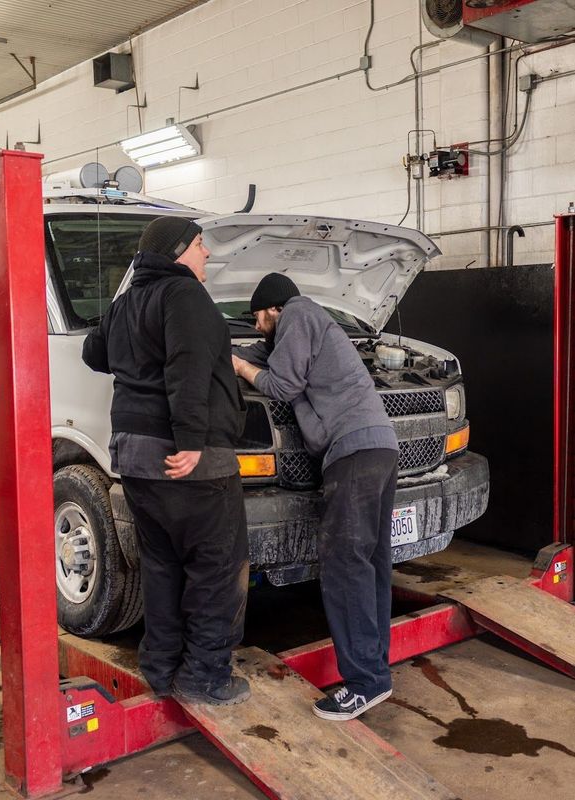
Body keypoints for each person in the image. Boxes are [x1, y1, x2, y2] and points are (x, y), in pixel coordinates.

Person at [82, 216, 250, 706]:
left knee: (161, 566)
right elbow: (188, 366)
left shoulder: (128, 300)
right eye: (199, 244)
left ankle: (161, 669)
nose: (207, 253)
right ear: (177, 251)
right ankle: (205, 677)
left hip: (134, 457)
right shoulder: (185, 294)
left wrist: (129, 329)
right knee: (216, 568)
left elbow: (94, 353)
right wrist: (191, 440)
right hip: (189, 461)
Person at [232, 272, 398, 721]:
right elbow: (264, 354)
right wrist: (231, 354)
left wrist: (241, 369)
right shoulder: (307, 330)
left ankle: (364, 683)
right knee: (371, 563)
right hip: (381, 449)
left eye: (257, 317)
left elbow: (282, 386)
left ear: (273, 308)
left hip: (354, 453)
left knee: (344, 565)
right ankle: (376, 671)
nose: (257, 327)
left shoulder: (300, 313)